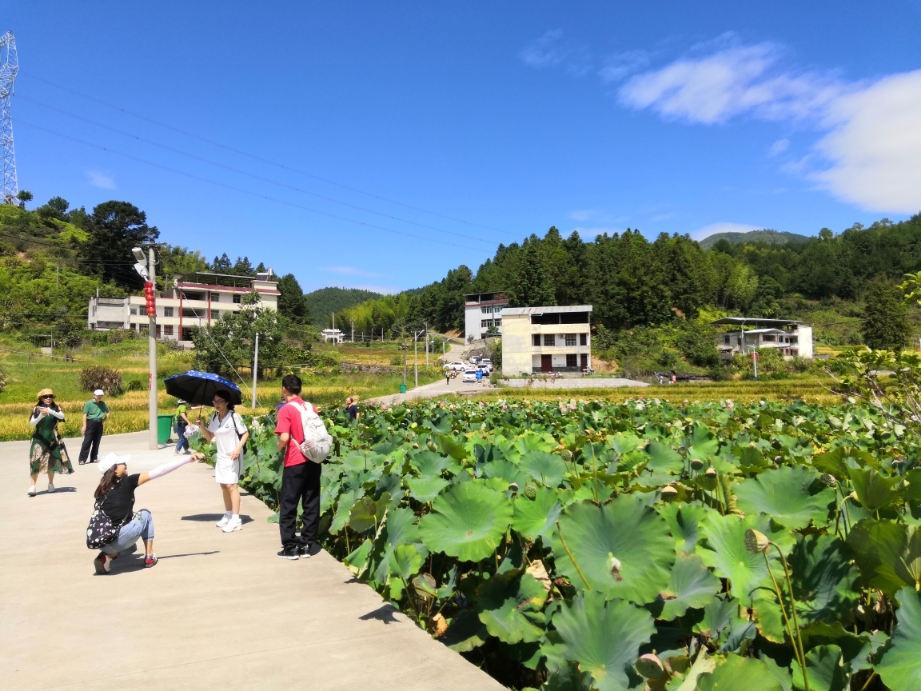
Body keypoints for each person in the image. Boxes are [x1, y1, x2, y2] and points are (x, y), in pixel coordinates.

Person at [91, 451, 199, 574]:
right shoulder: (127, 481)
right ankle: (149, 557)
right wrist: (187, 459)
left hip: (102, 541)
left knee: (132, 547)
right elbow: (160, 471)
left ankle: (106, 556)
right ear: (113, 469)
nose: (125, 464)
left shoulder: (102, 489)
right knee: (145, 514)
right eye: (121, 463)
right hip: (119, 539)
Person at [274, 374, 320, 560]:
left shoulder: (286, 409)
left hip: (295, 461)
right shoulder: (311, 407)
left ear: (284, 389)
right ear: (300, 389)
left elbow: (284, 438)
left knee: (289, 503)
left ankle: (290, 547)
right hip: (314, 460)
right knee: (311, 502)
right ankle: (308, 544)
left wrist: (279, 447)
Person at [196, 390, 249, 534]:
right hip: (221, 456)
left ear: (226, 402)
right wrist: (202, 426)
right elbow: (210, 437)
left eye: (220, 401)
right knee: (224, 486)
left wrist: (238, 449)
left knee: (232, 486)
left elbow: (245, 434)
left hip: (234, 456)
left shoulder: (234, 417)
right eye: (214, 401)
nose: (216, 404)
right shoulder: (215, 417)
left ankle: (236, 520)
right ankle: (229, 514)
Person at [28, 388, 74, 496]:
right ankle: (33, 486)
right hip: (40, 436)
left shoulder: (56, 408)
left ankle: (50, 484)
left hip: (53, 436)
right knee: (35, 459)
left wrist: (49, 411)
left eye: (50, 396)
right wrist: (41, 415)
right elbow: (32, 423)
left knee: (51, 460)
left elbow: (61, 416)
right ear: (41, 398)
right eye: (45, 396)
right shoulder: (36, 409)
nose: (48, 398)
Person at [79, 389, 110, 465]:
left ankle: (94, 458)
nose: (100, 397)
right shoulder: (89, 403)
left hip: (99, 423)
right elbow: (84, 415)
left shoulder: (102, 403)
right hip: (90, 422)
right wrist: (84, 426)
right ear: (94, 395)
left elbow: (108, 412)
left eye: (101, 396)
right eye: (98, 395)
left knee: (96, 442)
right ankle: (82, 459)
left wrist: (104, 420)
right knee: (87, 441)